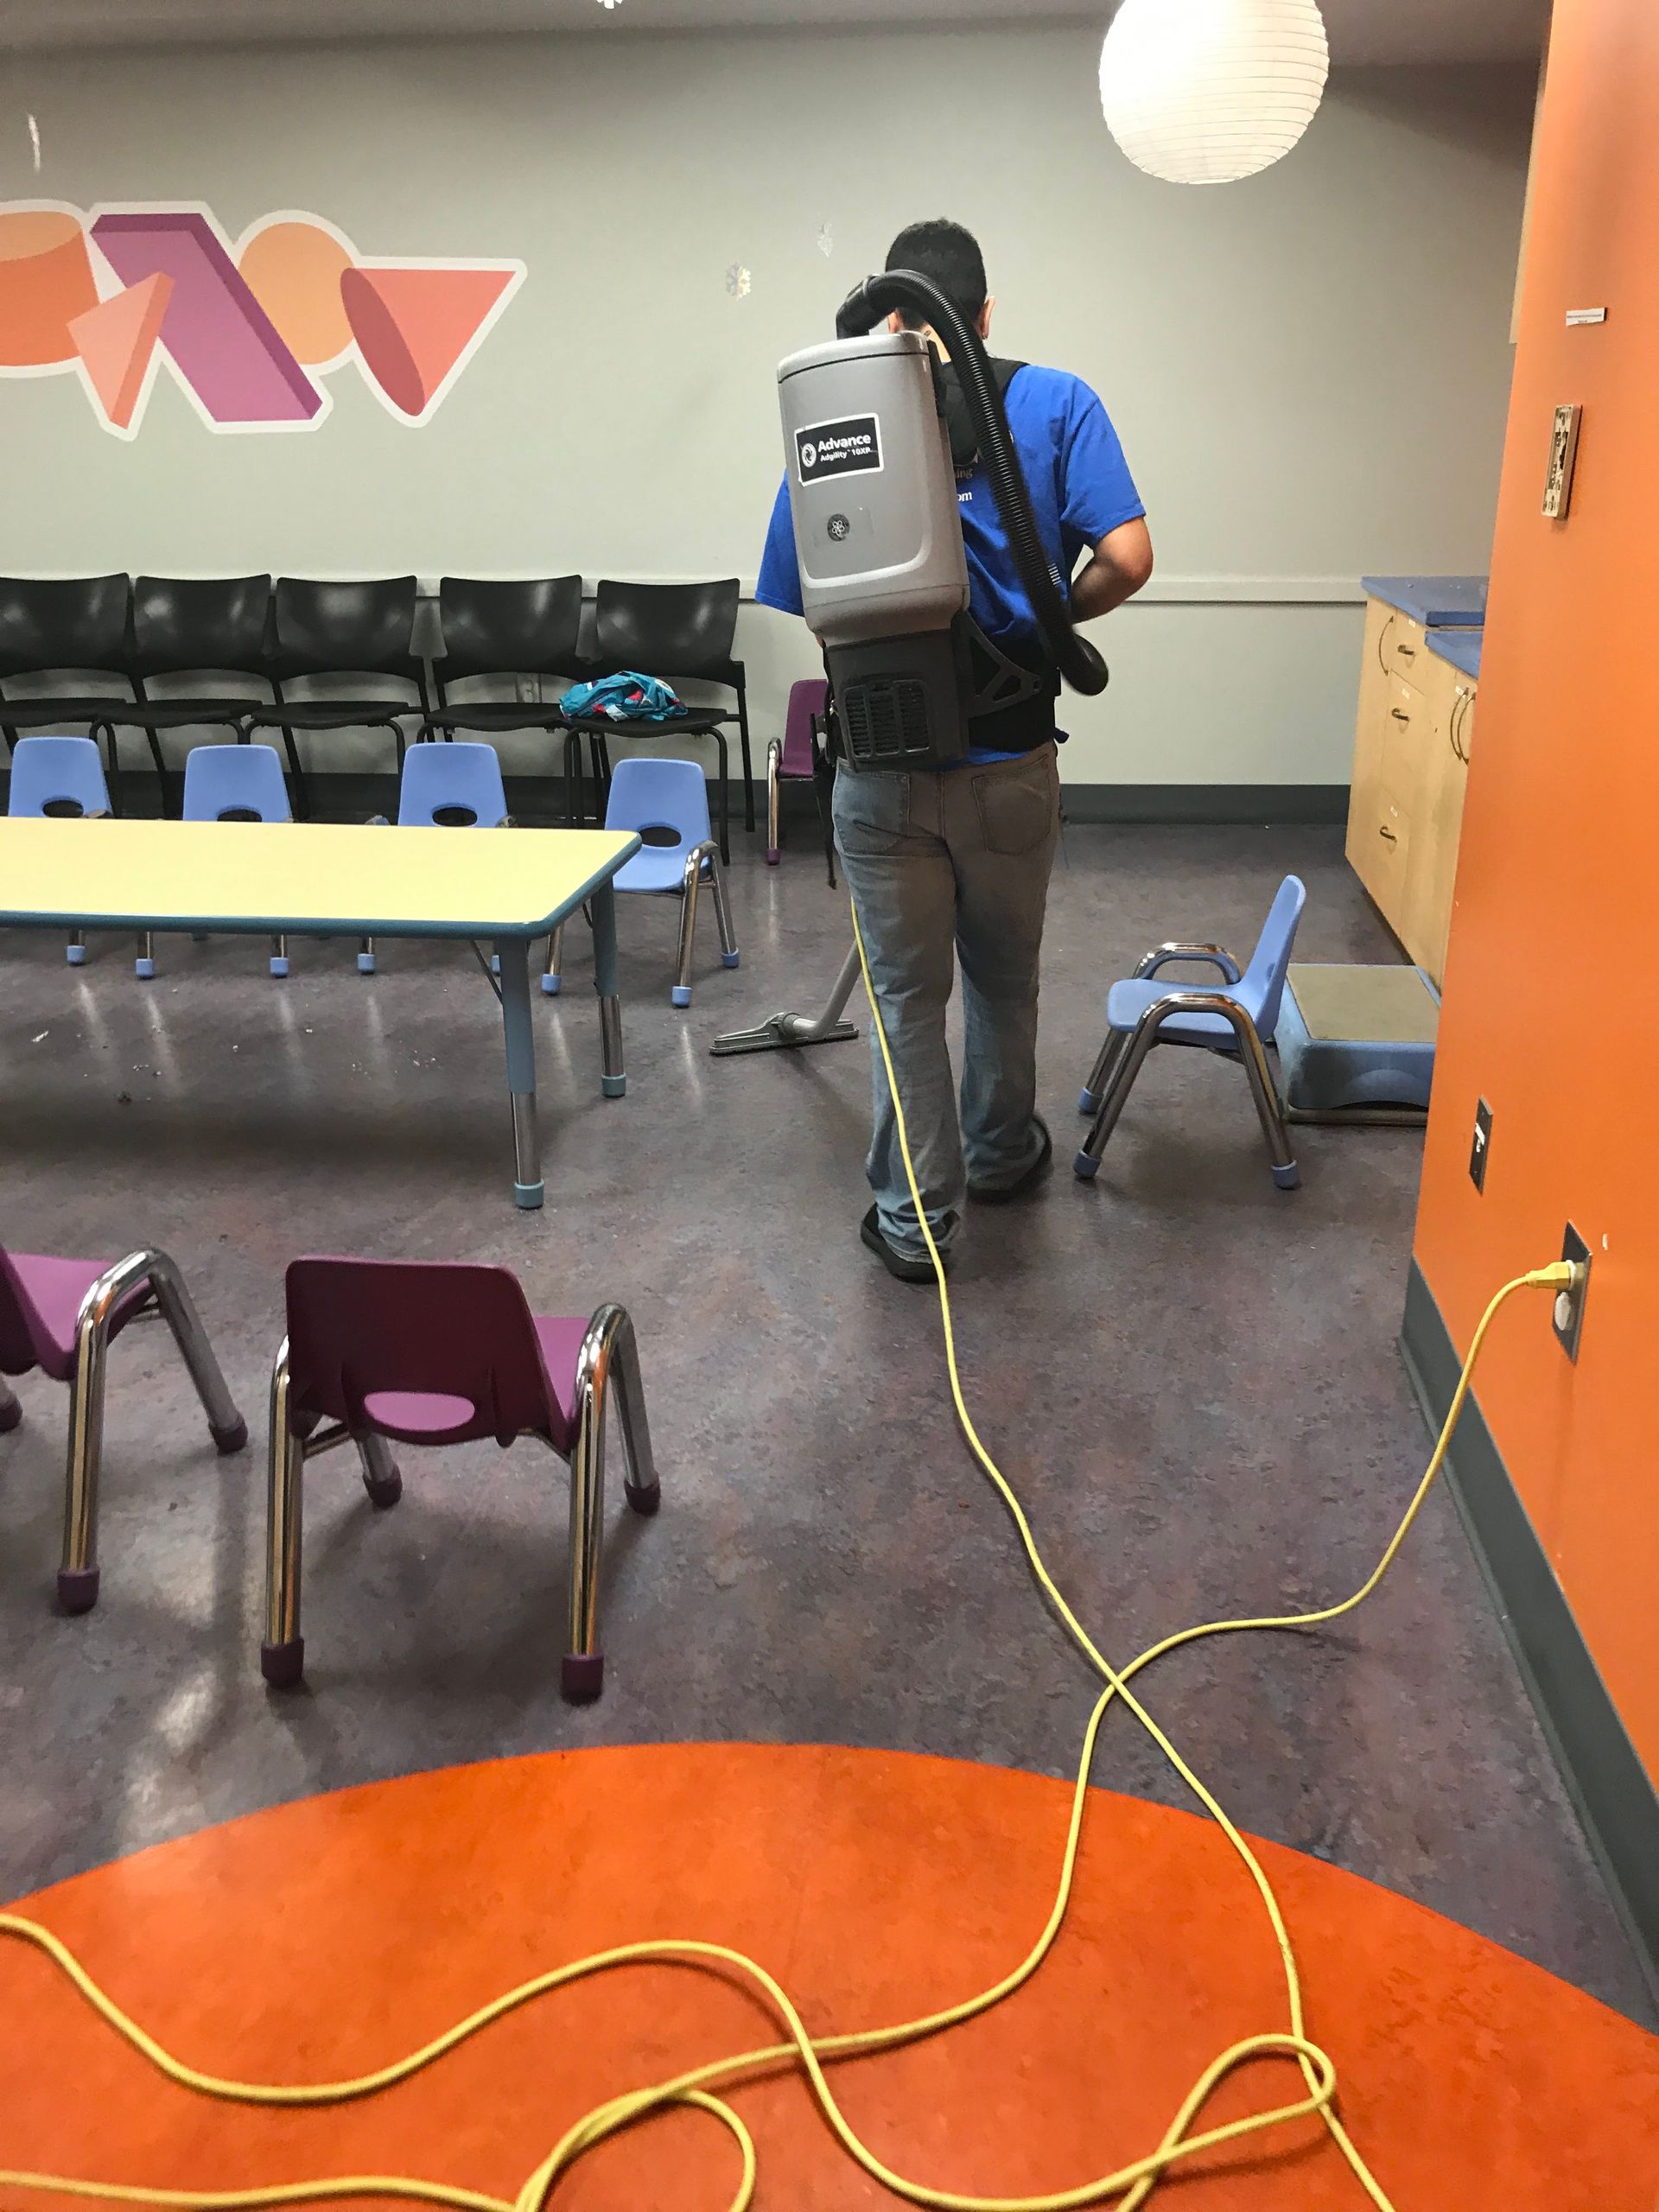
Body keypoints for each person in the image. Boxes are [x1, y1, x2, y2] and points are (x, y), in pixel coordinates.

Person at [756, 218, 1153, 1281]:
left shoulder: (835, 416)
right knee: (1003, 980)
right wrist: (1049, 623)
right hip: (1013, 767)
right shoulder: (1057, 401)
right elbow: (1129, 556)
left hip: (885, 775)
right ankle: (1001, 1155)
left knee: (904, 1005)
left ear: (888, 318)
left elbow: (806, 595)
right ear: (983, 313)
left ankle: (916, 1221)